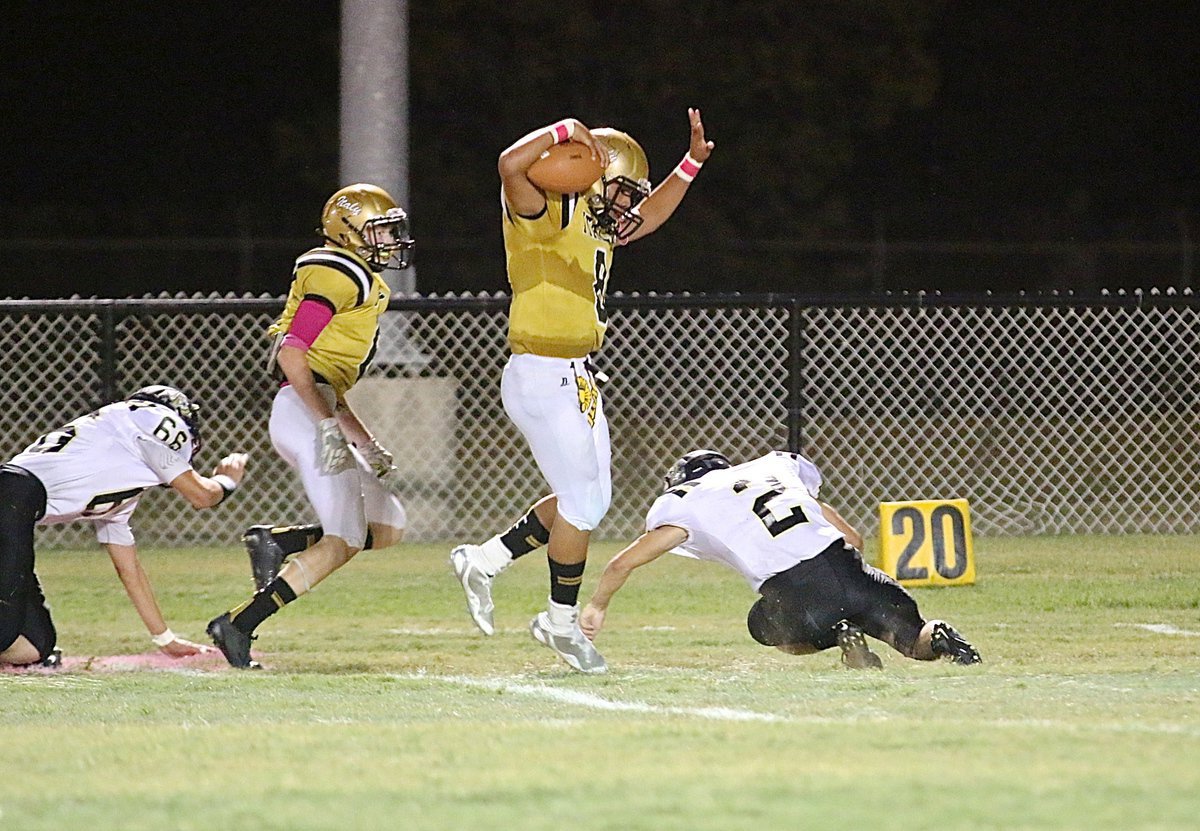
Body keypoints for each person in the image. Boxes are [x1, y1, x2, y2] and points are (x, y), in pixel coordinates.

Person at [448, 110, 715, 674]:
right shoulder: (546, 212)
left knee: (589, 500)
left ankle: (485, 559)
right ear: (589, 177)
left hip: (578, 373)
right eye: (621, 190)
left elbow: (651, 216)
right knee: (582, 504)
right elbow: (509, 164)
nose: (629, 203)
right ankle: (559, 621)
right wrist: (565, 131)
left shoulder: (598, 223)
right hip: (542, 371)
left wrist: (689, 165)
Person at [207, 183, 414, 669]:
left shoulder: (363, 280)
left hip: (310, 406)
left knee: (389, 525)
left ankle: (278, 541)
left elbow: (326, 383)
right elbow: (293, 352)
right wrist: (324, 425)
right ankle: (238, 624)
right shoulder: (338, 272)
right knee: (341, 540)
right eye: (380, 231)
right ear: (350, 232)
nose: (389, 241)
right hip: (301, 412)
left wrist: (365, 440)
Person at [579, 450, 982, 670]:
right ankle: (939, 636)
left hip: (794, 595)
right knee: (914, 643)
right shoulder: (776, 469)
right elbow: (854, 538)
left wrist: (597, 604)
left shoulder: (688, 502)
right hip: (851, 569)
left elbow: (621, 564)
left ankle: (839, 636)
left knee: (762, 625)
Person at [0, 385, 248, 667]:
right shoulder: (144, 420)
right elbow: (202, 495)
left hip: (16, 508)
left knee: (36, 643)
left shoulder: (122, 484)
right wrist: (227, 481)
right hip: (13, 497)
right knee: (4, 631)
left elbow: (129, 570)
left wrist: (165, 639)